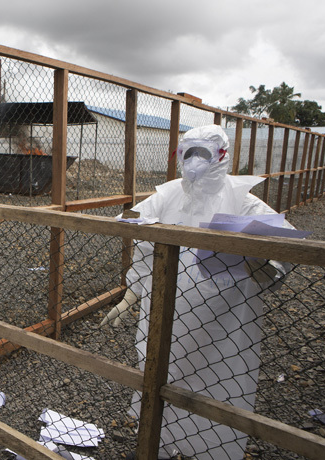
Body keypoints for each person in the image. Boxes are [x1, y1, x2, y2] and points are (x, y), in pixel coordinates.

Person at [102, 125, 291, 460]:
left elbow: (282, 251)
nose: (193, 162)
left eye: (202, 153)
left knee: (215, 382)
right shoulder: (170, 194)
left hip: (223, 321)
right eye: (188, 153)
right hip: (166, 312)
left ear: (221, 155)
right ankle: (155, 447)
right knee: (160, 376)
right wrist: (132, 293)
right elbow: (138, 232)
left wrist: (264, 266)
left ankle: (206, 452)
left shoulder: (243, 202)